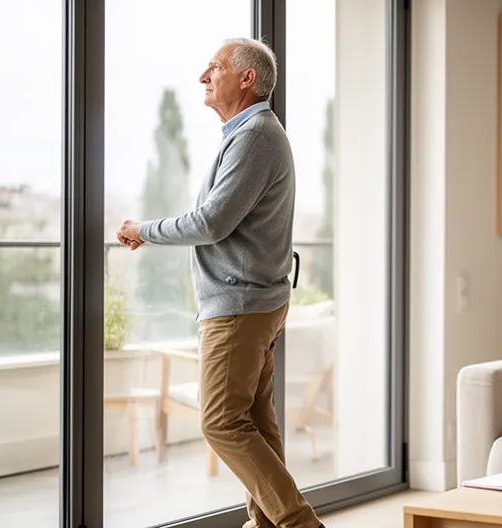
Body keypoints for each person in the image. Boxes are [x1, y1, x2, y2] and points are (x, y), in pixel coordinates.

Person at [116, 38, 324, 528]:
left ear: (246, 79)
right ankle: (270, 523)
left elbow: (211, 223)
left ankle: (299, 524)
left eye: (214, 67)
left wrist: (142, 231)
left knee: (221, 422)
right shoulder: (248, 134)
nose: (203, 77)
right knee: (255, 420)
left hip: (240, 304)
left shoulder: (254, 136)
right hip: (256, 300)